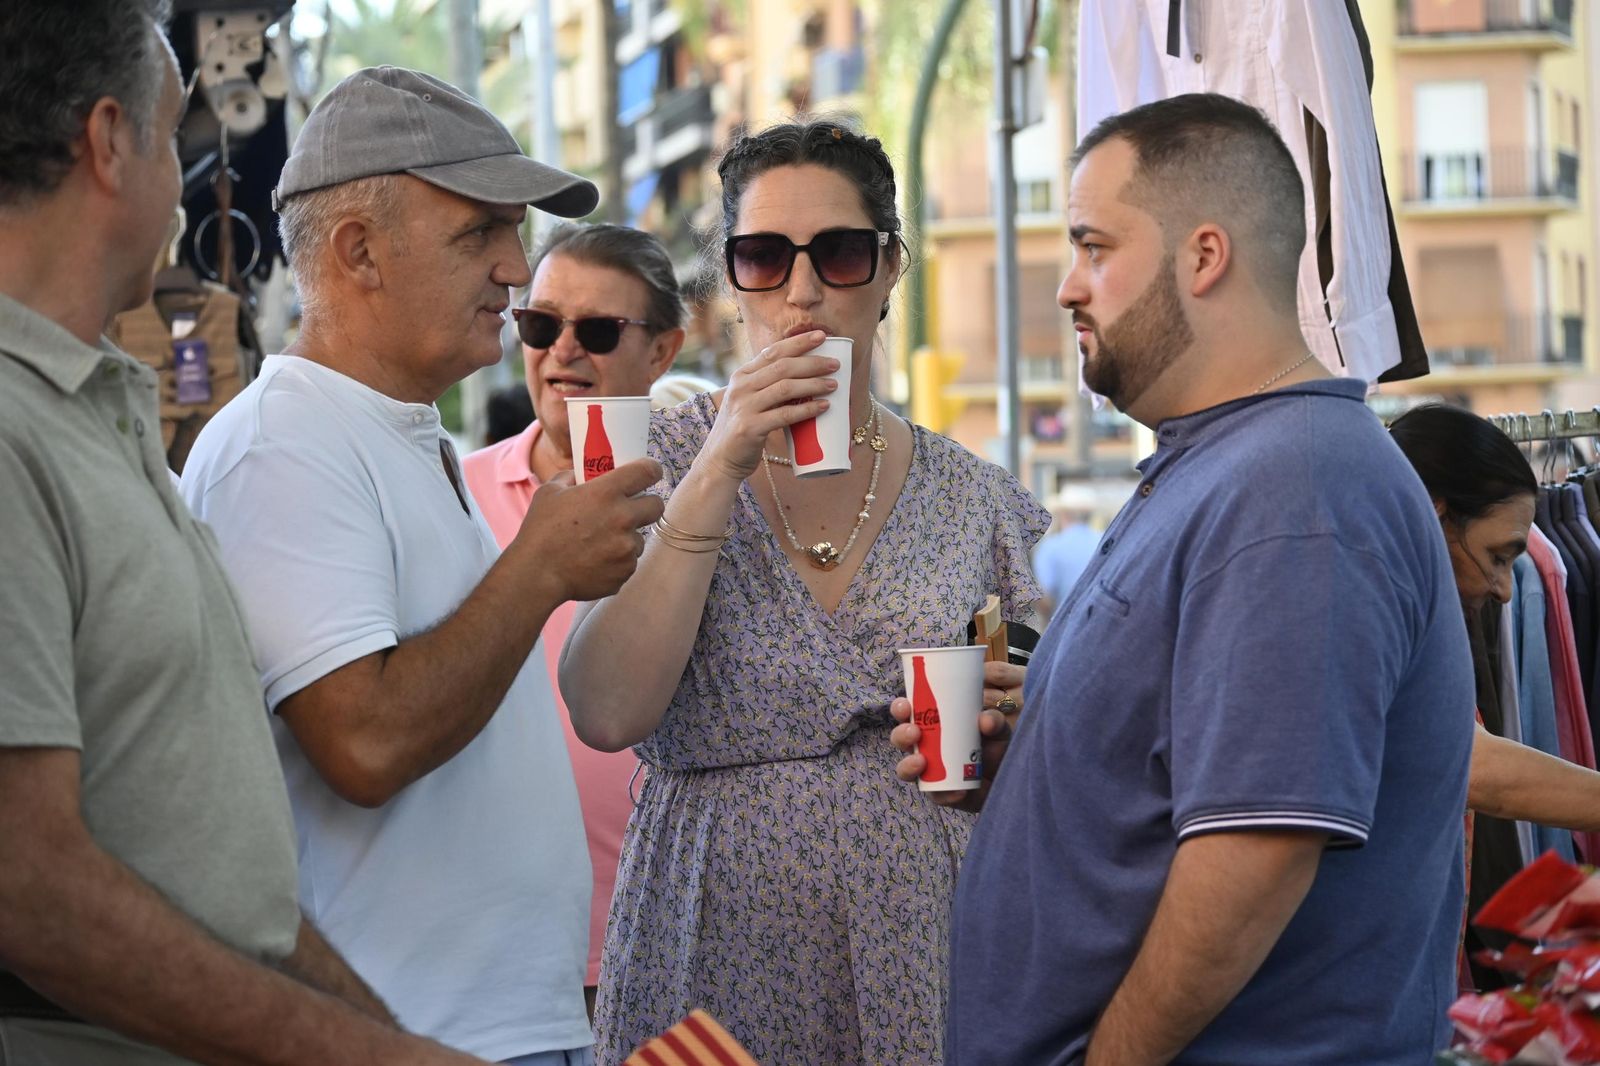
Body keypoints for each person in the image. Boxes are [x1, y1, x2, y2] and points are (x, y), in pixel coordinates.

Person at [898, 93, 1476, 1065]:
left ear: (1204, 255)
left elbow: (1256, 850)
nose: (1067, 287)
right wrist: (1050, 775)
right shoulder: (1227, 471)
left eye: (1092, 245)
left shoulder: (1291, 492)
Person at [0, 7, 489, 1064]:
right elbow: (27, 884)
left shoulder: (91, 412)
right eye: (172, 138)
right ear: (105, 142)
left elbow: (219, 882)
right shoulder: (11, 431)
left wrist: (384, 1038)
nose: (185, 184)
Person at [180, 67, 662, 1065]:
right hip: (412, 1032)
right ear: (359, 250)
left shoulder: (391, 435)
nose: (515, 266)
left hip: (488, 1028)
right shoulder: (285, 441)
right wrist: (539, 567)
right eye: (478, 231)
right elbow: (361, 742)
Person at [559, 119, 1047, 1064]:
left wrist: (1005, 733)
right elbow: (605, 707)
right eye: (763, 257)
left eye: (841, 252)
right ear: (730, 277)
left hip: (920, 943)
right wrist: (718, 467)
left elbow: (1006, 753)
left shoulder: (974, 498)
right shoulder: (651, 460)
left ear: (890, 268)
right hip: (708, 936)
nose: (804, 289)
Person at [461, 222, 685, 1016]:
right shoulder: (452, 492)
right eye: (540, 324)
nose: (563, 351)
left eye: (596, 330)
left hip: (678, 942)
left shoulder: (709, 509)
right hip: (503, 959)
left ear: (661, 353)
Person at [1031, 485, 1101, 614]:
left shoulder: (1051, 546)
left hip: (1065, 627)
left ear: (1063, 515)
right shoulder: (1104, 541)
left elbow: (1044, 599)